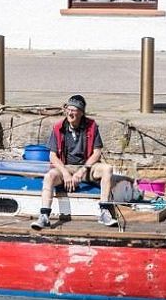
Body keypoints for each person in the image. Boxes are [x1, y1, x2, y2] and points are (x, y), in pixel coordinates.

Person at [31, 94, 117, 229]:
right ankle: (44, 215)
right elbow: (53, 156)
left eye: (74, 110)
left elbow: (97, 153)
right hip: (66, 167)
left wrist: (82, 171)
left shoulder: (92, 126)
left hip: (86, 167)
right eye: (68, 109)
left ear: (81, 112)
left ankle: (104, 211)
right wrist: (65, 173)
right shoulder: (58, 127)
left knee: (107, 169)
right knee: (49, 176)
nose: (70, 113)